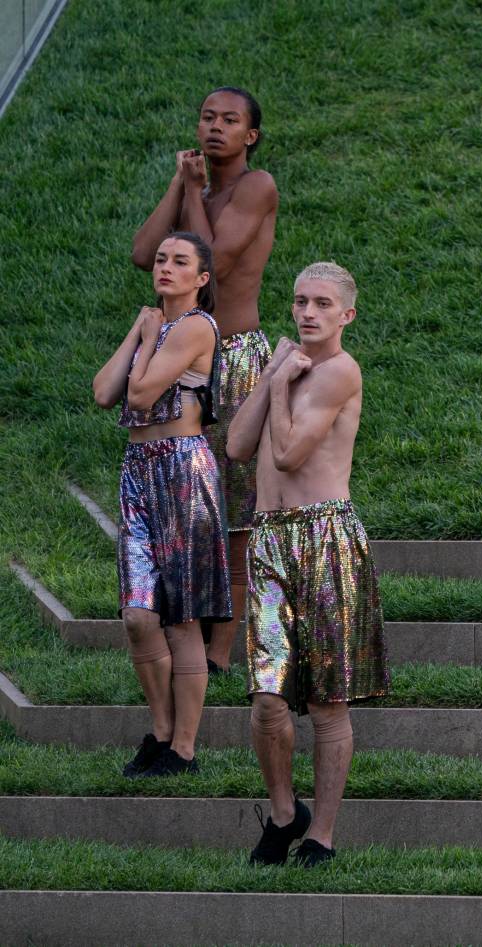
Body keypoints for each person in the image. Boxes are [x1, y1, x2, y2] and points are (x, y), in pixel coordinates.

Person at [227, 261, 387, 867]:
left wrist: (275, 384)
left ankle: (321, 831)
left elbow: (291, 454)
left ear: (346, 314)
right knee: (267, 698)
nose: (308, 313)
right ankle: (283, 810)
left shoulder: (340, 371)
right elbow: (240, 447)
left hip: (324, 537)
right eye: (299, 301)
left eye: (322, 303)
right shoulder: (286, 367)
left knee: (326, 702)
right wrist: (272, 373)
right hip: (269, 539)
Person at [132, 86, 278, 674]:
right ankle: (184, 628)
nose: (215, 127)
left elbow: (209, 259)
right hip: (180, 355)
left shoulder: (256, 186)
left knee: (237, 509)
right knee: (188, 501)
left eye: (230, 120)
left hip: (235, 358)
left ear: (251, 136)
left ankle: (220, 650)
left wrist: (194, 192)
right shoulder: (199, 187)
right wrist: (180, 185)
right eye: (207, 117)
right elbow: (147, 253)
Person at [92, 232, 231, 778]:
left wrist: (148, 340)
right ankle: (160, 731)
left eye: (180, 261)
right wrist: (139, 328)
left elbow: (142, 395)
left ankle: (184, 750)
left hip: (182, 470)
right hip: (138, 471)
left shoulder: (196, 325)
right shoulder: (157, 324)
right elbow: (105, 392)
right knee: (137, 616)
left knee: (181, 620)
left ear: (201, 278)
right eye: (160, 260)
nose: (165, 267)